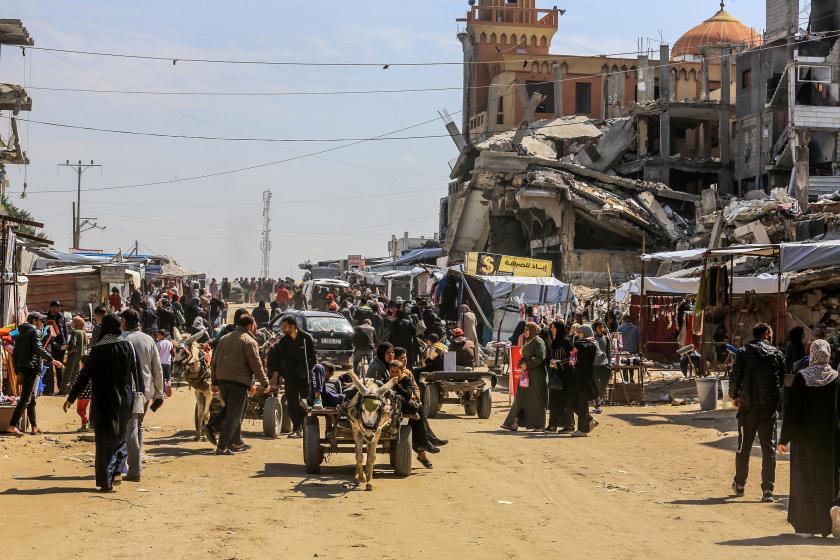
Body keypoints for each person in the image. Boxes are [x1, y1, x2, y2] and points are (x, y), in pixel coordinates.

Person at [62, 313, 141, 492]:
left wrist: (71, 397)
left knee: (104, 440)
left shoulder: (98, 349)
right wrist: (140, 394)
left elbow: (85, 375)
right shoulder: (127, 346)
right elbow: (135, 373)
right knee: (121, 437)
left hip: (103, 401)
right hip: (124, 398)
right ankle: (118, 469)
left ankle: (106, 481)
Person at [777, 339, 840, 537]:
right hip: (829, 442)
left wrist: (784, 439)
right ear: (828, 354)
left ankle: (805, 525)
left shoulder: (801, 378)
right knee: (827, 481)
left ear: (812, 354)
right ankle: (826, 525)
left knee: (804, 480)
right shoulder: (836, 379)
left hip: (804, 441)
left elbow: (792, 412)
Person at [729, 323, 785, 502]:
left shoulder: (743, 352)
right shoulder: (777, 354)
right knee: (768, 448)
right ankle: (768, 489)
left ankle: (740, 484)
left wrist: (734, 395)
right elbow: (782, 380)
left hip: (747, 408)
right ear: (767, 334)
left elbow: (735, 376)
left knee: (744, 446)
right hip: (768, 409)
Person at [207, 314, 271, 454]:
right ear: (249, 326)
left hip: (223, 380)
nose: (255, 327)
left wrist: (214, 381)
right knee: (234, 415)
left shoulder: (224, 338)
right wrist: (266, 383)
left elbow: (214, 361)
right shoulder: (249, 341)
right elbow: (256, 365)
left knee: (231, 409)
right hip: (239, 382)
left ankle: (217, 430)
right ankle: (221, 447)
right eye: (254, 325)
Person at [121, 309, 164, 482]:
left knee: (130, 428)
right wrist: (159, 393)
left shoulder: (122, 339)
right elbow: (157, 368)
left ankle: (134, 470)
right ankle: (133, 465)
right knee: (137, 427)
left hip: (129, 392)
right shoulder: (148, 339)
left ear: (124, 321)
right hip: (146, 391)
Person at [6, 313, 65, 436]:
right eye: (40, 321)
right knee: (25, 399)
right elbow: (38, 349)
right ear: (34, 321)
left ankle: (34, 426)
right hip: (31, 369)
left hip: (23, 368)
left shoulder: (20, 333)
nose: (42, 324)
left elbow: (15, 354)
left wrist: (17, 371)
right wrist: (52, 360)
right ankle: (12, 425)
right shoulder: (34, 332)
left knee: (31, 398)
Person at [267, 316, 316, 438]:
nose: (283, 329)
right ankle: (297, 428)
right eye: (282, 327)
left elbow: (313, 358)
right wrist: (276, 376)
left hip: (305, 376)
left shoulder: (306, 338)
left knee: (303, 403)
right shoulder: (284, 341)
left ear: (293, 326)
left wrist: (311, 372)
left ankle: (303, 427)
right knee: (292, 403)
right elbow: (278, 360)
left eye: (285, 326)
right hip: (290, 375)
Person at [388, 360, 437, 468]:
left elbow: (408, 394)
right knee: (418, 413)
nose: (394, 374)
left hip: (404, 406)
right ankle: (427, 442)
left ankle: (426, 443)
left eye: (397, 372)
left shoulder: (405, 379)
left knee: (417, 411)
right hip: (392, 408)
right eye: (392, 371)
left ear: (402, 372)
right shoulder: (387, 378)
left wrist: (396, 386)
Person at [501, 322, 548, 432]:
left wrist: (527, 364)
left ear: (532, 330)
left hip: (536, 376)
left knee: (537, 400)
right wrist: (521, 362)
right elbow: (523, 355)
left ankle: (539, 425)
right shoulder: (528, 341)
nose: (525, 332)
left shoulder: (538, 341)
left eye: (527, 330)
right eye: (525, 329)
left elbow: (540, 358)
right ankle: (512, 422)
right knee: (520, 397)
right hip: (526, 375)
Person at [546, 320, 575, 433]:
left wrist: (561, 363)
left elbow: (574, 357)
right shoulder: (555, 341)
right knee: (554, 401)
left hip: (566, 376)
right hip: (556, 375)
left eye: (553, 327)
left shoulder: (566, 341)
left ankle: (569, 426)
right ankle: (552, 425)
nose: (551, 329)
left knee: (565, 401)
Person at [570, 325, 599, 437]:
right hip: (577, 378)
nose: (577, 334)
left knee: (582, 404)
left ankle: (582, 430)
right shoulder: (584, 344)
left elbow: (578, 345)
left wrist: (585, 340)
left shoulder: (591, 345)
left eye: (580, 332)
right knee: (571, 402)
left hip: (585, 379)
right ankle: (590, 420)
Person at [45, 300, 69, 395]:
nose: (58, 309)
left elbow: (65, 331)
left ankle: (61, 388)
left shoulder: (61, 317)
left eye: (59, 307)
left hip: (61, 345)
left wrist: (66, 343)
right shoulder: (46, 317)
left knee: (59, 367)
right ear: (51, 308)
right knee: (49, 366)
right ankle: (48, 389)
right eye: (56, 307)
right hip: (50, 345)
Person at [62, 316, 87, 398]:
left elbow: (73, 343)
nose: (72, 323)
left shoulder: (75, 332)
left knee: (68, 373)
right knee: (75, 374)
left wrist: (66, 348)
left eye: (73, 321)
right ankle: (71, 391)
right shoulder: (83, 333)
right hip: (80, 357)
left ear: (76, 323)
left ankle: (64, 391)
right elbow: (85, 343)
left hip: (73, 356)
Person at [592, 321, 612, 414]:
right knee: (595, 385)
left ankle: (598, 401)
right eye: (599, 327)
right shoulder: (592, 339)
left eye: (603, 327)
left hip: (605, 366)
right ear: (595, 328)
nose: (601, 328)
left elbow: (608, 353)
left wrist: (609, 364)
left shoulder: (606, 339)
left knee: (603, 386)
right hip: (595, 366)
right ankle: (597, 405)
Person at [616, 315, 640, 383]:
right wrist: (639, 351)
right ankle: (631, 378)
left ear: (623, 320)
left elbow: (617, 340)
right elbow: (639, 341)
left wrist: (617, 350)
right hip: (633, 351)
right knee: (631, 365)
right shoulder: (635, 328)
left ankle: (625, 379)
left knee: (624, 365)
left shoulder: (620, 328)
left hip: (623, 351)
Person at [155, 330, 174, 397]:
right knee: (168, 377)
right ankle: (168, 385)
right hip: (168, 363)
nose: (157, 336)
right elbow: (172, 353)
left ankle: (163, 392)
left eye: (158, 335)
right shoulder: (170, 343)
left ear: (162, 335)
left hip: (160, 363)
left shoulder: (158, 344)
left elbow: (156, 354)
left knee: (162, 378)